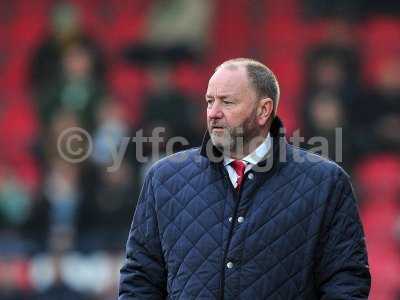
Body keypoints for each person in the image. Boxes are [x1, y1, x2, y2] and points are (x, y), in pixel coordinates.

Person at [119, 58, 371, 299]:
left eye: (227, 102)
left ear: (263, 110)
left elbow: (346, 281)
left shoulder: (326, 183)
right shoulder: (164, 178)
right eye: (209, 102)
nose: (213, 113)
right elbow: (140, 277)